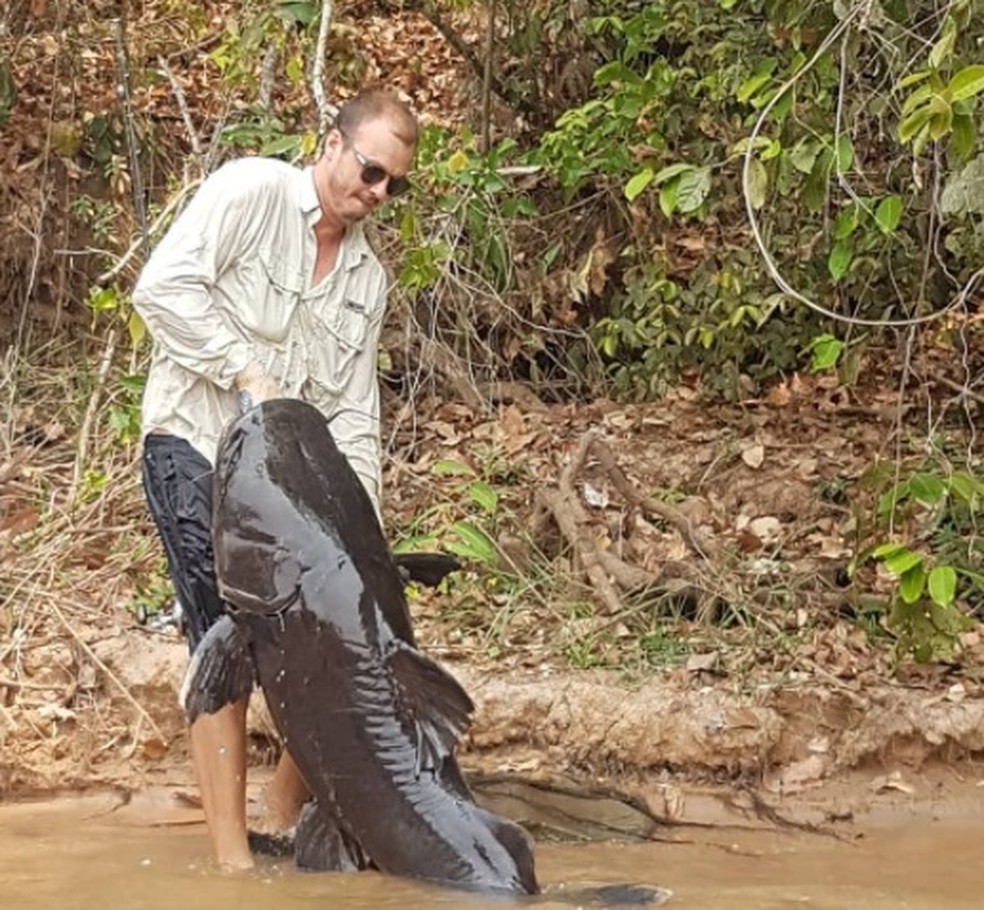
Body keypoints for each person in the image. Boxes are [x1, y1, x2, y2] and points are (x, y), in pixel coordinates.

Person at [132, 89, 418, 870]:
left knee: (339, 634)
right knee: (220, 628)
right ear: (331, 145)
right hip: (192, 441)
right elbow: (160, 288)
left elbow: (354, 414)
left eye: (395, 184)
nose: (378, 192)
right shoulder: (250, 191)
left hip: (287, 490)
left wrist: (362, 534)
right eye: (370, 170)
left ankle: (285, 821)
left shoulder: (368, 282)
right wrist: (246, 370)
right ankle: (232, 865)